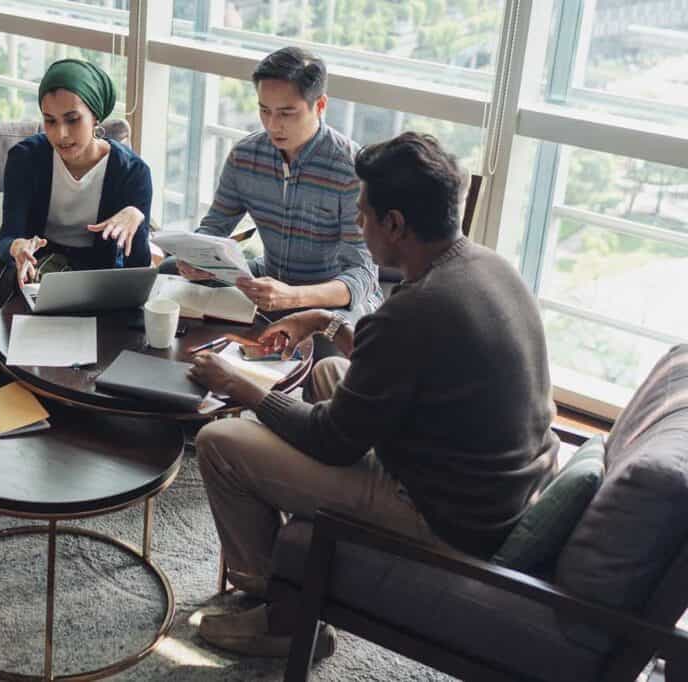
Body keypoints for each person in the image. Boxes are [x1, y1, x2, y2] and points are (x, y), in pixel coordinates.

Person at [186, 132, 559, 659]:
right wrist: (325, 321)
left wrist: (236, 384)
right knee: (331, 370)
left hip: (443, 513)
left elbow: (332, 441)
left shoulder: (416, 307)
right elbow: (405, 363)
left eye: (363, 216)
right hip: (491, 482)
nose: (359, 226)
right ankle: (291, 583)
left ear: (395, 224)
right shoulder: (485, 266)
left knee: (221, 441)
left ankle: (282, 613)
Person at [164, 47, 381, 335]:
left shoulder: (350, 169)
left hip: (330, 299)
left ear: (319, 105)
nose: (272, 125)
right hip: (268, 278)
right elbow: (214, 227)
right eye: (264, 110)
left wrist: (294, 297)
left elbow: (363, 274)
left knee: (331, 346)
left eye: (286, 113)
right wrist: (197, 259)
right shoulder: (245, 156)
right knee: (168, 271)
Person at [0, 59, 153, 334]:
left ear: (95, 117)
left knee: (52, 282)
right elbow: (9, 236)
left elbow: (137, 269)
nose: (61, 134)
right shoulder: (25, 159)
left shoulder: (132, 173)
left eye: (72, 119)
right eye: (50, 121)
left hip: (91, 272)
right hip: (36, 257)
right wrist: (17, 247)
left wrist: (137, 218)